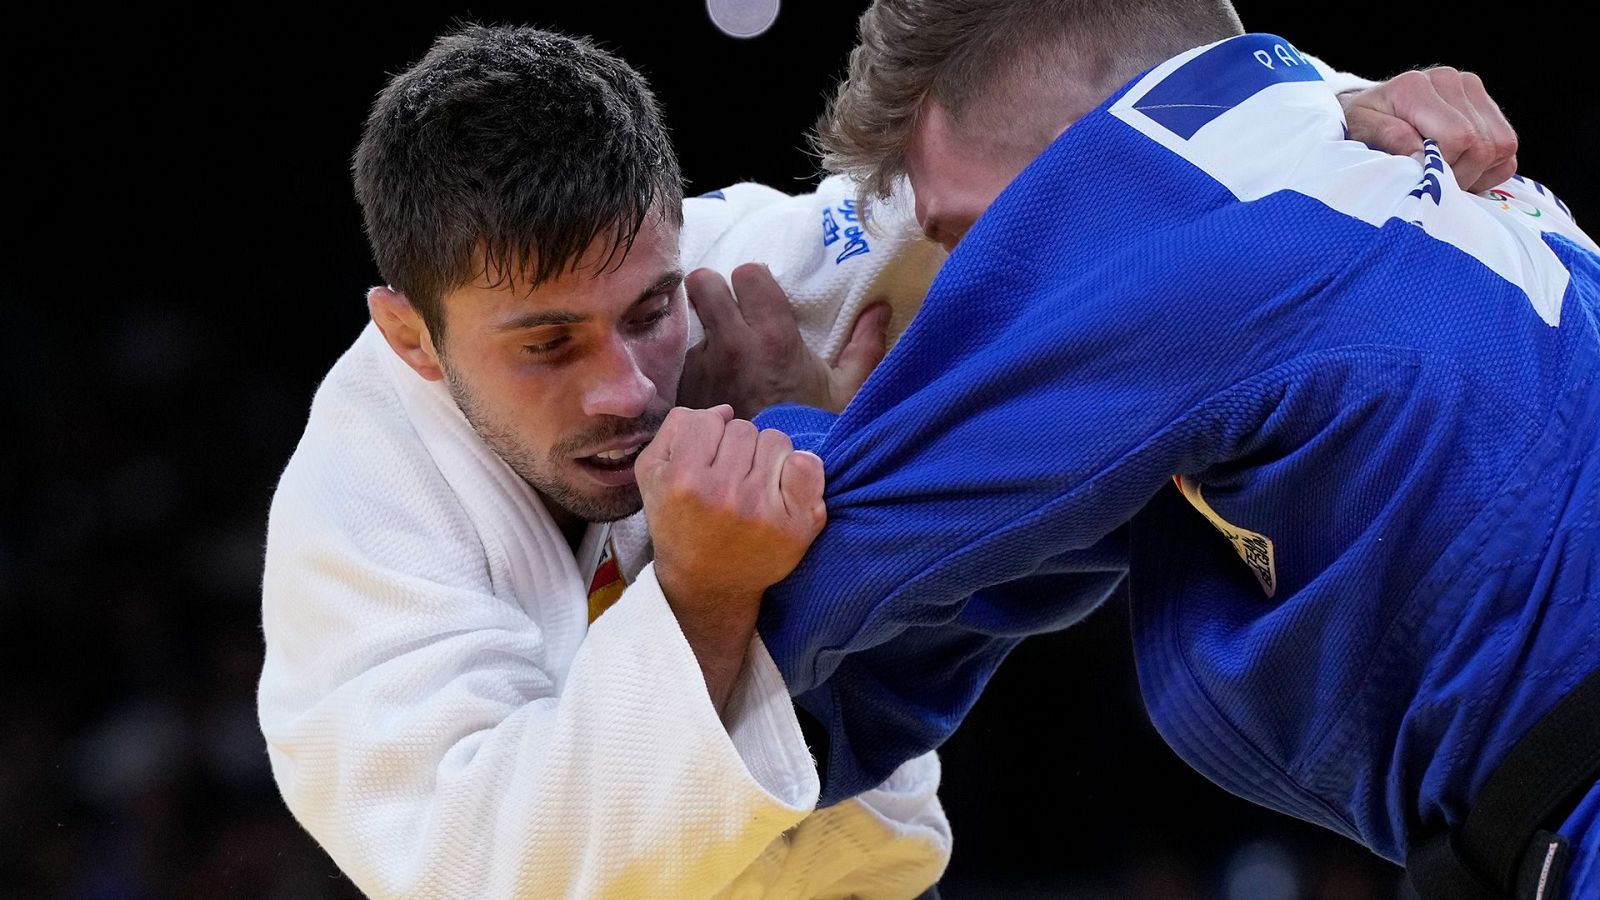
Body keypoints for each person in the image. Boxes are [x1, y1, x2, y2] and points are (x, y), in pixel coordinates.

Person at [256, 17, 1525, 900]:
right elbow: (493, 870)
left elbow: (1064, 172)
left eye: (646, 313)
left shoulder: (743, 266)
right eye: (544, 345)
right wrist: (703, 597)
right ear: (410, 335)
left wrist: (1330, 117)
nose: (624, 385)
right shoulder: (362, 513)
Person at [751, 2, 1598, 899]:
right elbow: (972, 595)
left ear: (1090, 151)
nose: (957, 290)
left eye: (966, 237)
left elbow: (830, 569)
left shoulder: (1191, 229)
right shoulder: (1355, 166)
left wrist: (778, 432)